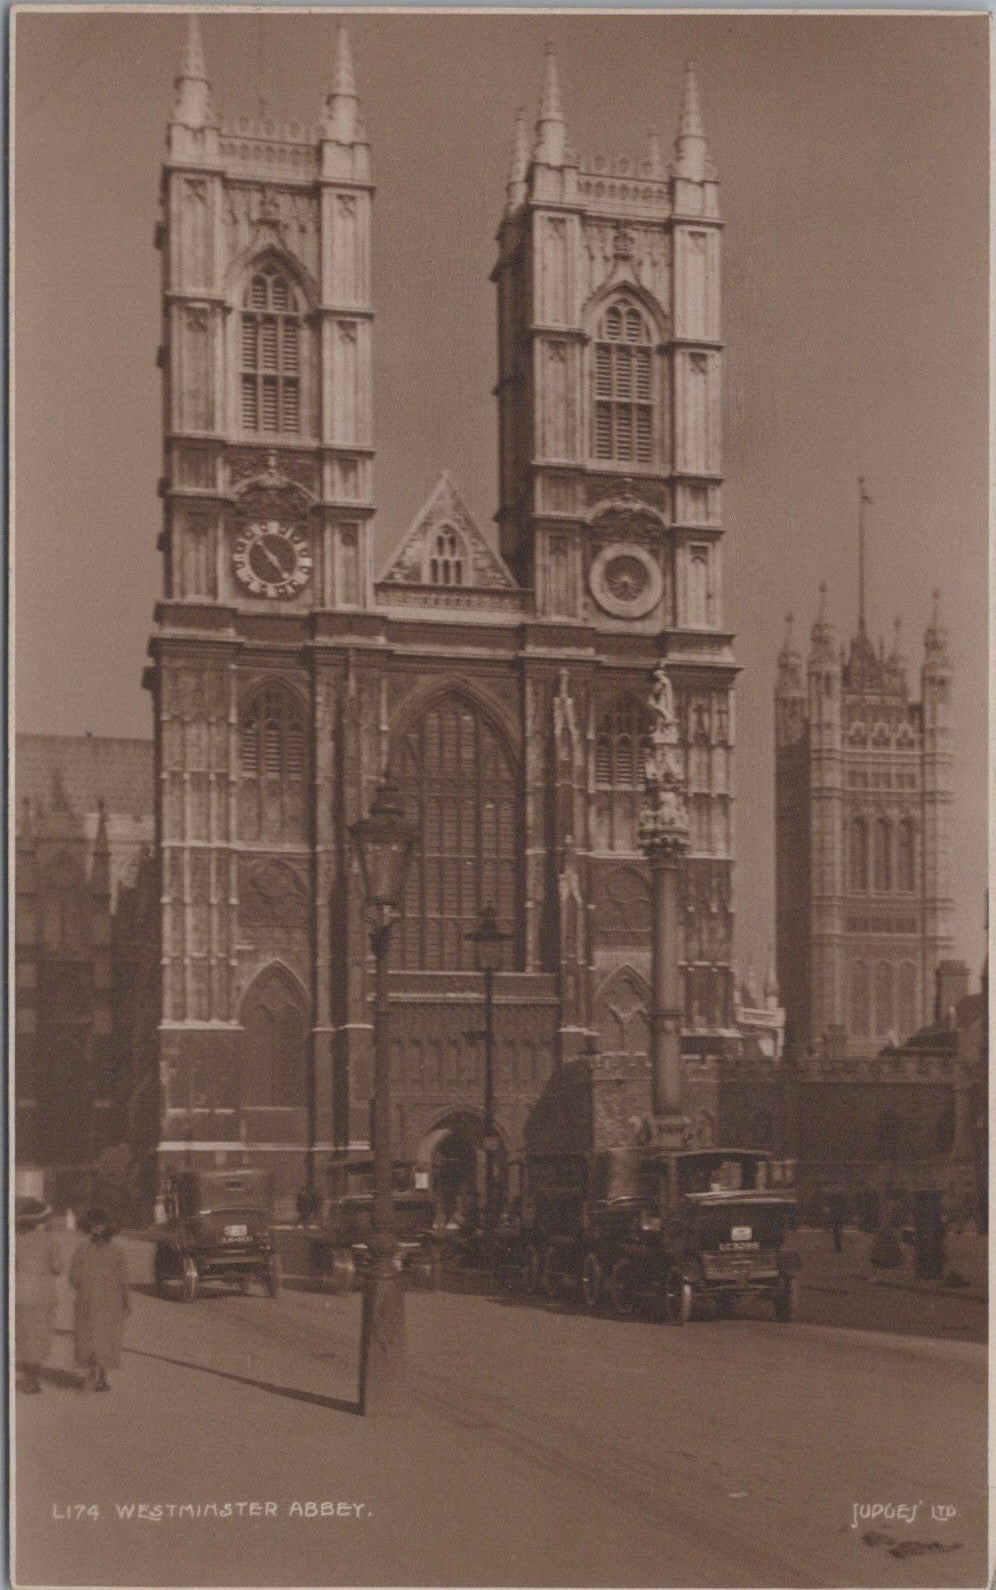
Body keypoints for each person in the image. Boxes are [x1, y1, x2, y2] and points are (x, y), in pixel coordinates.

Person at [69, 1209, 130, 1392]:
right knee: (100, 1337)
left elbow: (74, 1278)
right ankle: (98, 1373)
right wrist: (125, 1301)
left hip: (98, 1301)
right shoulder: (113, 1250)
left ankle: (99, 1373)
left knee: (96, 1337)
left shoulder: (85, 1249)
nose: (96, 1229)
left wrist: (125, 1300)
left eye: (99, 1225)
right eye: (94, 1225)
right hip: (101, 1301)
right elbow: (74, 1276)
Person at [15, 1197, 63, 1394]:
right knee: (40, 1336)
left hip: (21, 1294)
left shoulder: (16, 1239)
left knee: (25, 1336)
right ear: (42, 1220)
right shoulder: (51, 1240)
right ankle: (33, 1378)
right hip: (44, 1295)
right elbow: (57, 1267)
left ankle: (29, 1377)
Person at [828, 1187, 847, 1254]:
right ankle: (838, 1247)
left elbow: (834, 1207)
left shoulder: (836, 1197)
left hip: (837, 1216)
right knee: (836, 1231)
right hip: (838, 1216)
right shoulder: (840, 1197)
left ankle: (838, 1247)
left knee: (837, 1231)